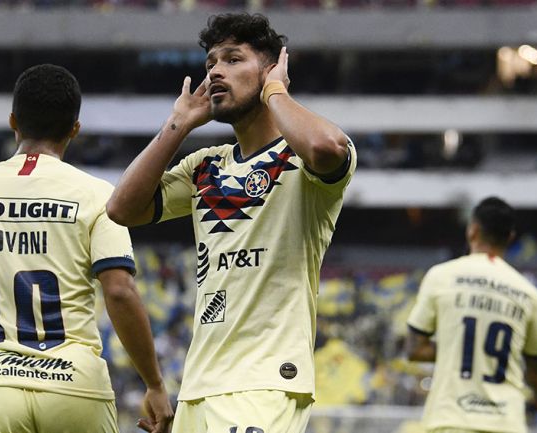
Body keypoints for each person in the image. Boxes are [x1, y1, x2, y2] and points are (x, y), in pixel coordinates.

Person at [107, 13, 356, 433]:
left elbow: (326, 147)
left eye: (234, 59)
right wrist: (180, 123)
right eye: (210, 64)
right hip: (199, 387)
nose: (217, 71)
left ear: (271, 68)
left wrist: (274, 91)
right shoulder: (205, 166)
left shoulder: (300, 158)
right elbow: (122, 209)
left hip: (264, 382)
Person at [0, 64, 173, 433]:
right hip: (75, 385)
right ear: (74, 129)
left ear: (13, 121)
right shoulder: (97, 195)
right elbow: (119, 291)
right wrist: (155, 384)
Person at [406, 197, 537, 433]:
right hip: (505, 424)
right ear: (510, 237)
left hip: (451, 420)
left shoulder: (442, 276)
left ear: (473, 230)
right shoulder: (529, 294)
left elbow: (414, 349)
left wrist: (459, 345)